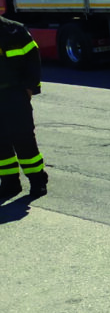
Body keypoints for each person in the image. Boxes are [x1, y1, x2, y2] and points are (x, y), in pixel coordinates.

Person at [0, 14, 47, 202]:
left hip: (14, 94)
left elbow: (33, 59)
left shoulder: (14, 30)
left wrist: (30, 87)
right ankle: (10, 183)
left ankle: (38, 181)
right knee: (0, 143)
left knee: (23, 138)